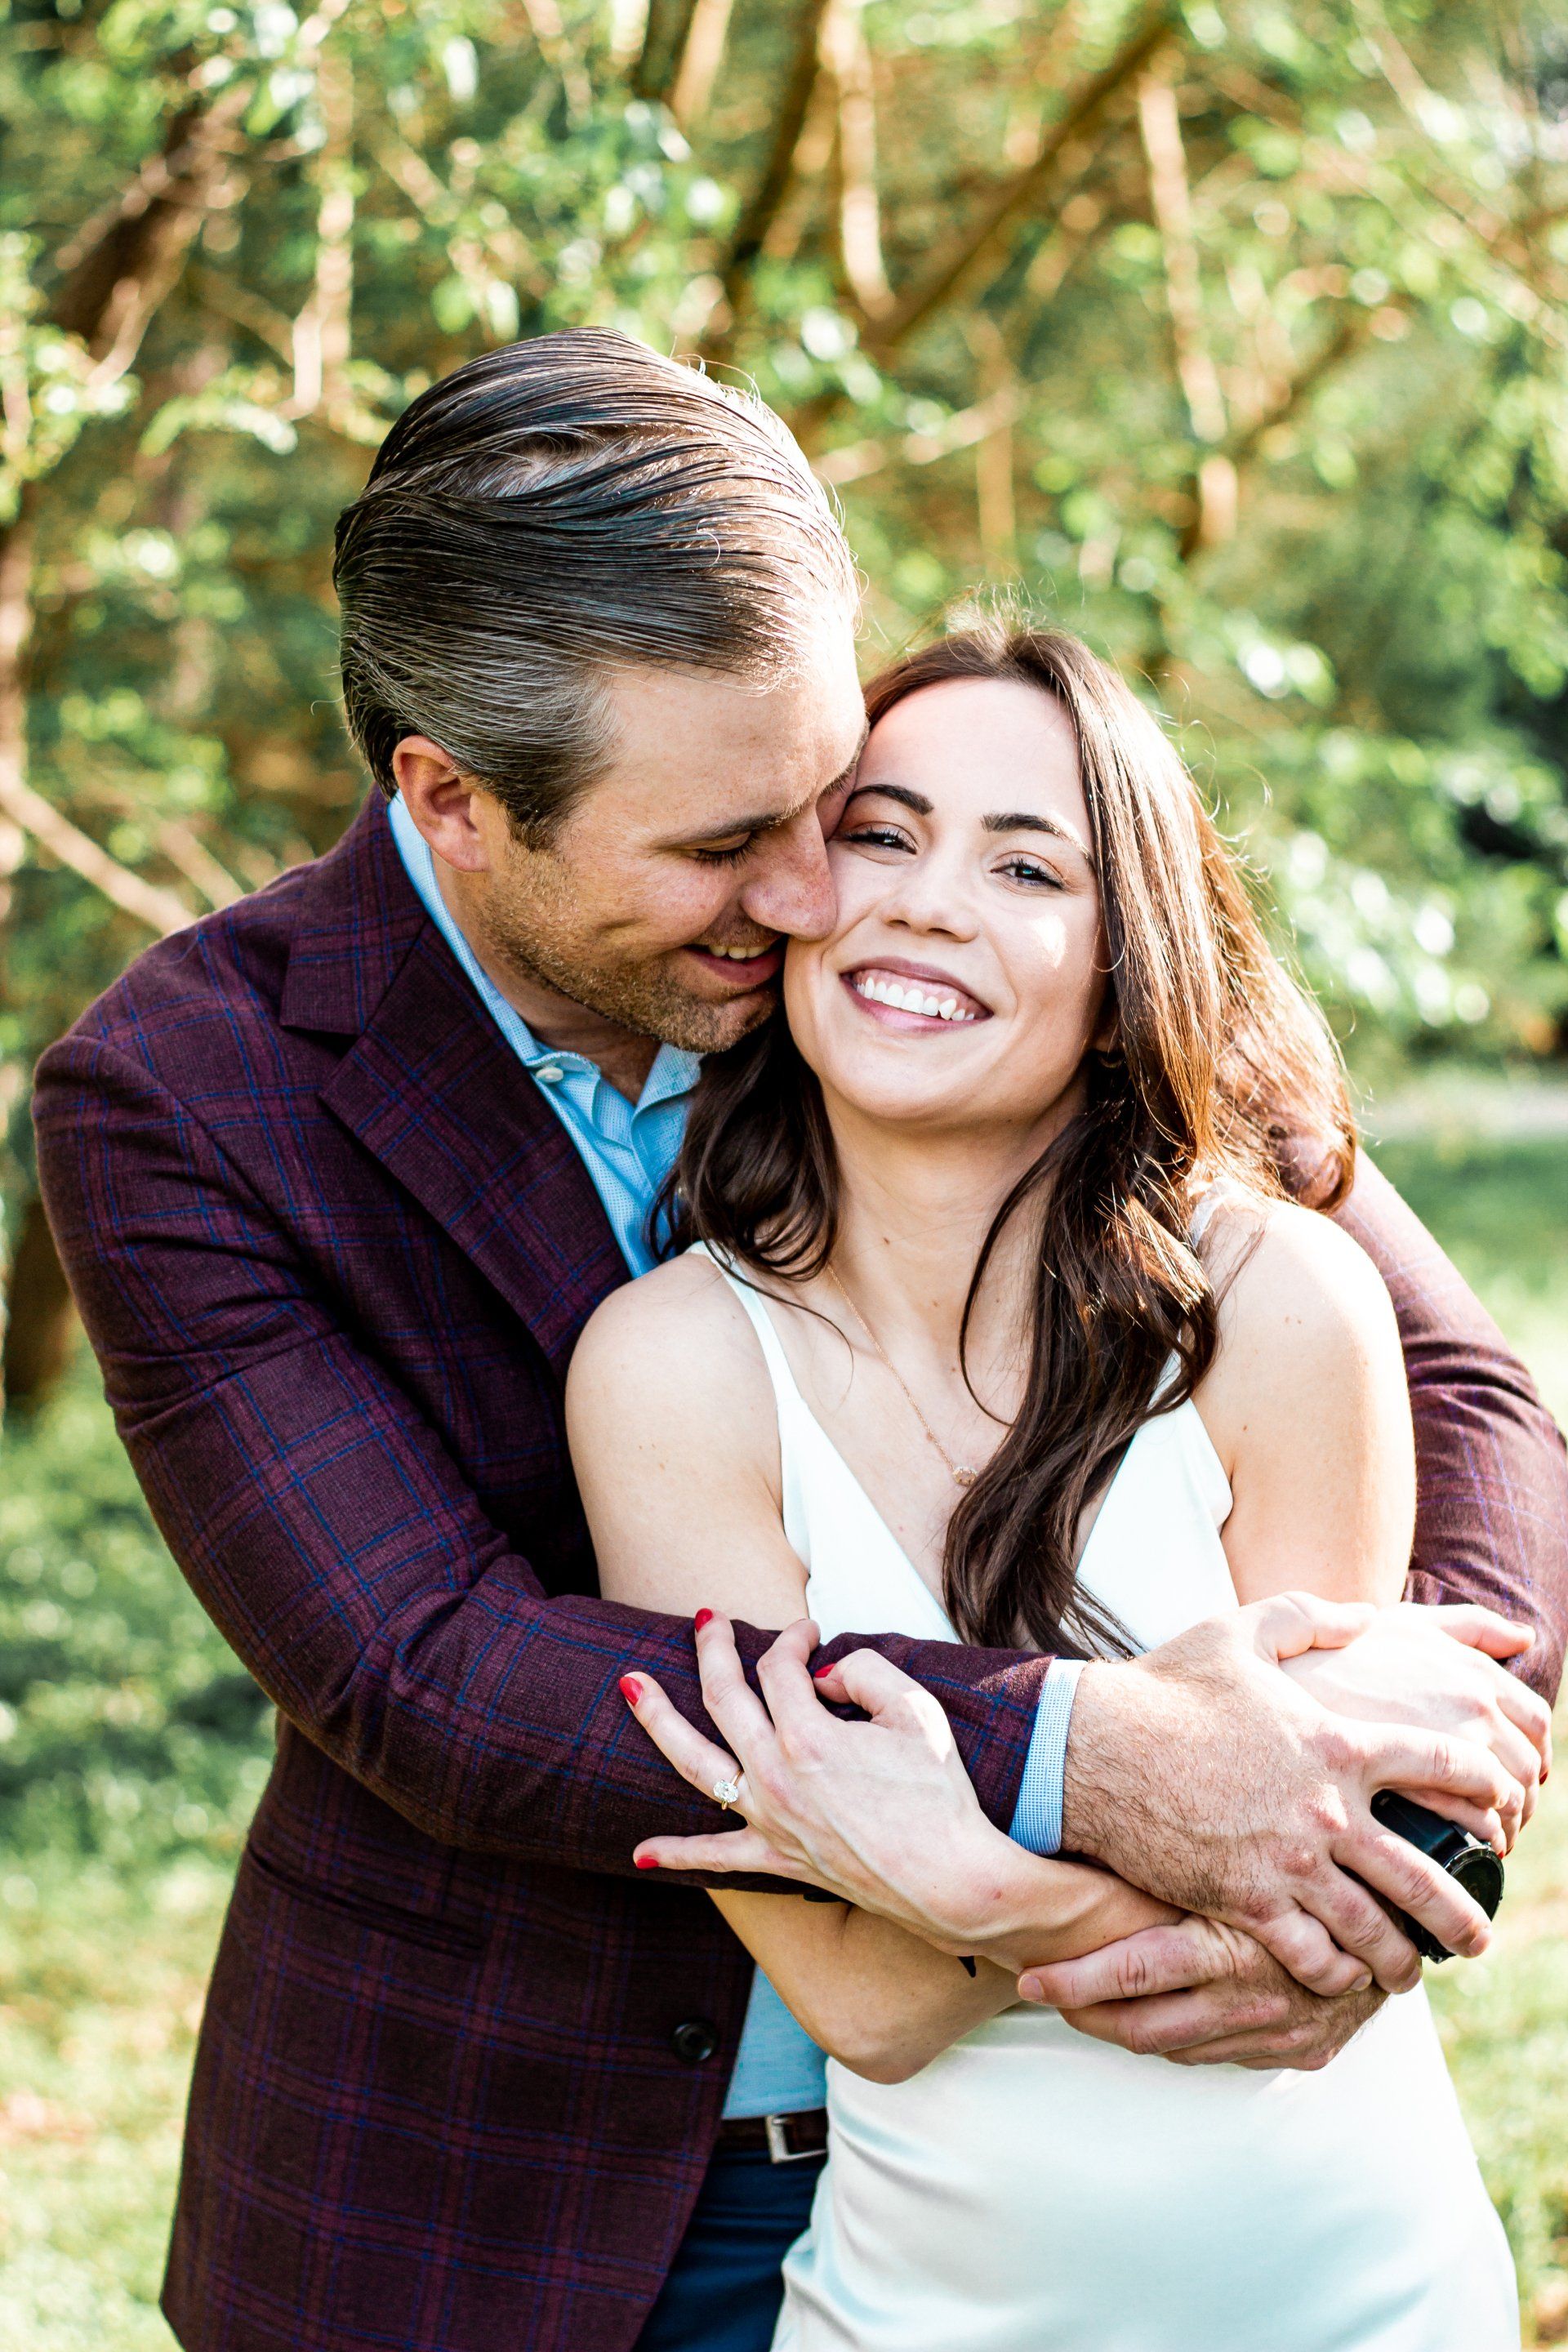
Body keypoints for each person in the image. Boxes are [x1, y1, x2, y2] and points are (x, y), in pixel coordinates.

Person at [30, 332, 1563, 2352]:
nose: (814, 893)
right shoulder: (187, 1097)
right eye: (721, 847)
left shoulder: (967, 955)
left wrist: (1385, 1804)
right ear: (455, 800)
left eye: (824, 800)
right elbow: (426, 1668)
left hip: (1142, 2173)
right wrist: (1096, 1758)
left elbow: (1464, 1388)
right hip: (520, 2190)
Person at [573, 625, 1522, 2346]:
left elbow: (1331, 1891)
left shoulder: (1276, 1304)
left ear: (1122, 965)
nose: (928, 904)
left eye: (1026, 867)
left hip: (1362, 2297)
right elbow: (859, 1997)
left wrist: (975, 1890)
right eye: (881, 834)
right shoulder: (670, 1368)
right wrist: (1160, 1861)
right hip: (914, 2315)